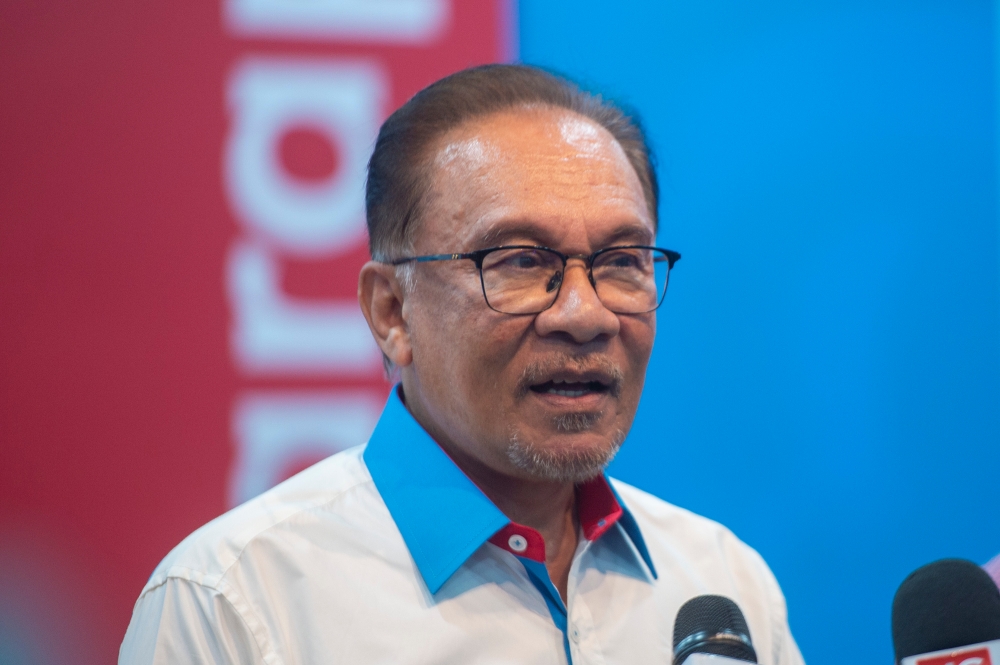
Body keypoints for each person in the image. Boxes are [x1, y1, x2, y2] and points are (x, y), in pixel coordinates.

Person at [120, 64, 804, 664]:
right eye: (518, 261)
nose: (584, 314)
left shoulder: (724, 583)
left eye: (621, 262)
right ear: (392, 311)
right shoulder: (236, 602)